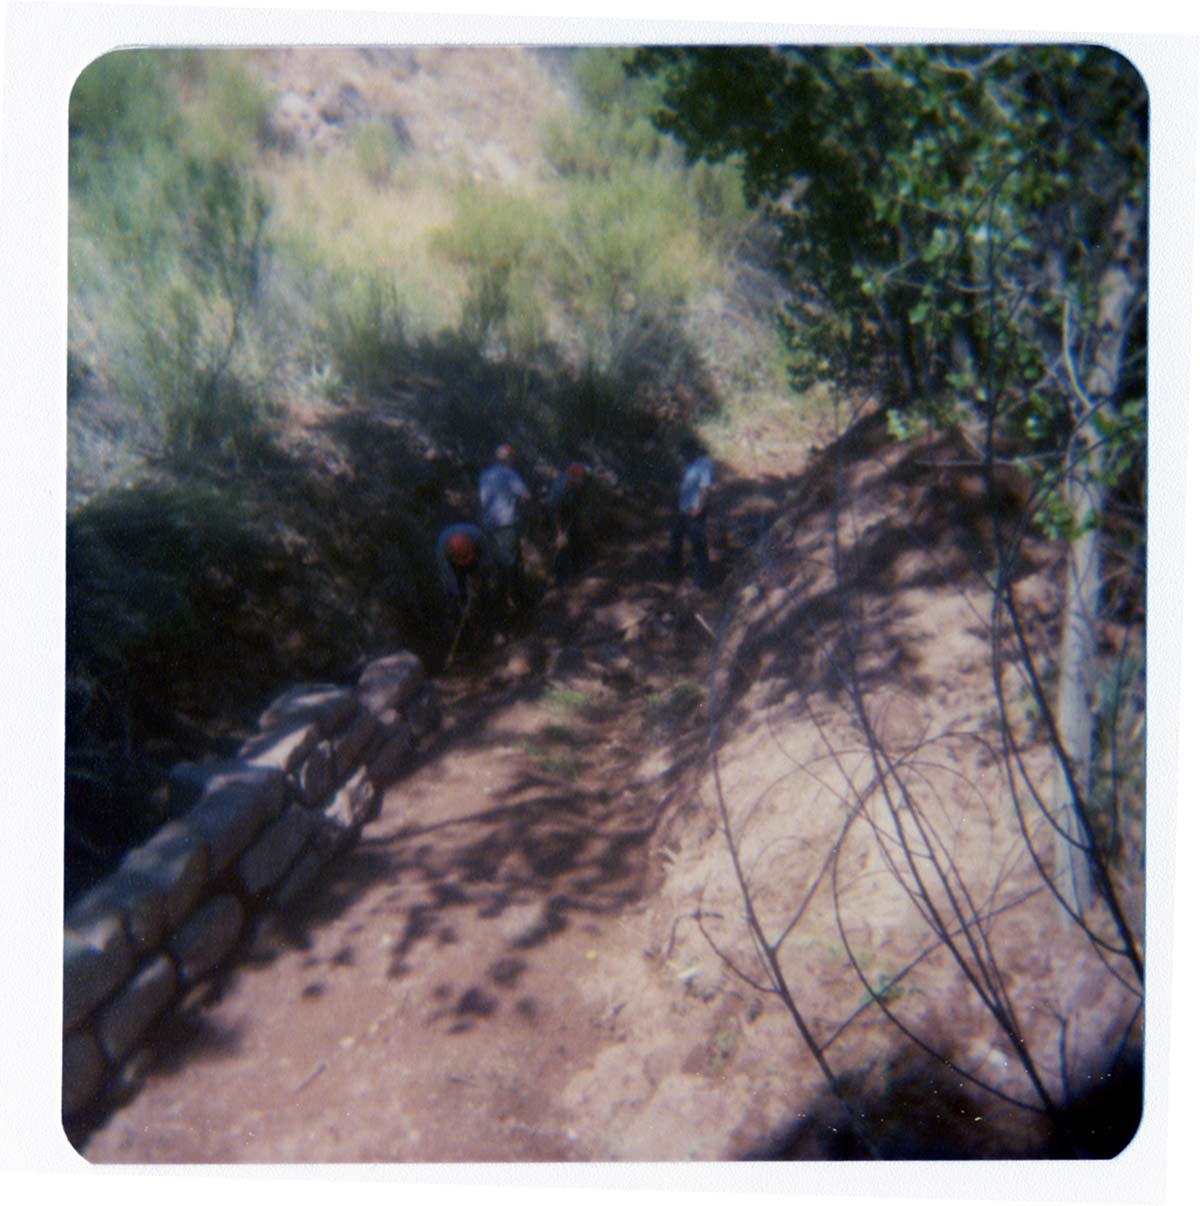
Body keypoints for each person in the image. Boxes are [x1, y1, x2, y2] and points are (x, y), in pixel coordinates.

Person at [478, 442, 532, 608]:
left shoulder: (485, 474)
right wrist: (522, 505)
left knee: (498, 563)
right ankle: (512, 603)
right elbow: (526, 496)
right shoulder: (510, 474)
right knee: (509, 563)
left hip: (488, 525)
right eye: (512, 458)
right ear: (508, 459)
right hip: (506, 524)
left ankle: (509, 601)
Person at [435, 522, 494, 652]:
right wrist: (460, 599)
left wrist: (480, 575)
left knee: (486, 591)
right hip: (454, 563)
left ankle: (489, 624)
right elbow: (448, 578)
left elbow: (488, 559)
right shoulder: (442, 551)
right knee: (456, 597)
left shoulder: (479, 538)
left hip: (477, 557)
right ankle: (464, 633)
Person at [668, 436, 713, 589]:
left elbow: (704, 488)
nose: (683, 457)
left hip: (695, 510)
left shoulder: (704, 464)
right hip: (683, 509)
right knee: (675, 538)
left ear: (692, 451)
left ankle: (702, 581)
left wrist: (699, 508)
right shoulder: (689, 462)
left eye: (685, 454)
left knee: (698, 545)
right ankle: (675, 572)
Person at [545, 460, 590, 584]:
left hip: (570, 511)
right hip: (556, 514)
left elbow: (578, 500)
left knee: (575, 537)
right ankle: (560, 578)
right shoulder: (560, 488)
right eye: (581, 479)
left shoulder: (578, 483)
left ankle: (577, 572)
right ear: (573, 478)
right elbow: (554, 511)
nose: (583, 481)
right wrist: (559, 532)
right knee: (562, 544)